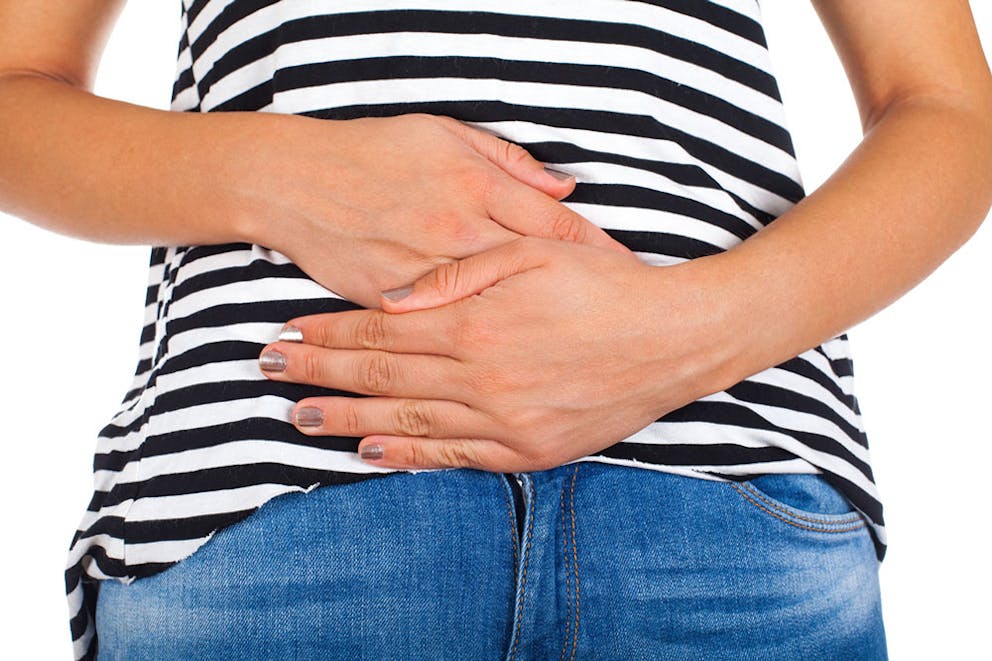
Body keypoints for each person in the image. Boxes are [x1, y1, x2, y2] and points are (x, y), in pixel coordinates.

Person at [1, 1, 990, 659]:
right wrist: (282, 177)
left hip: (728, 511)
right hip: (272, 500)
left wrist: (698, 329)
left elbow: (946, 108)